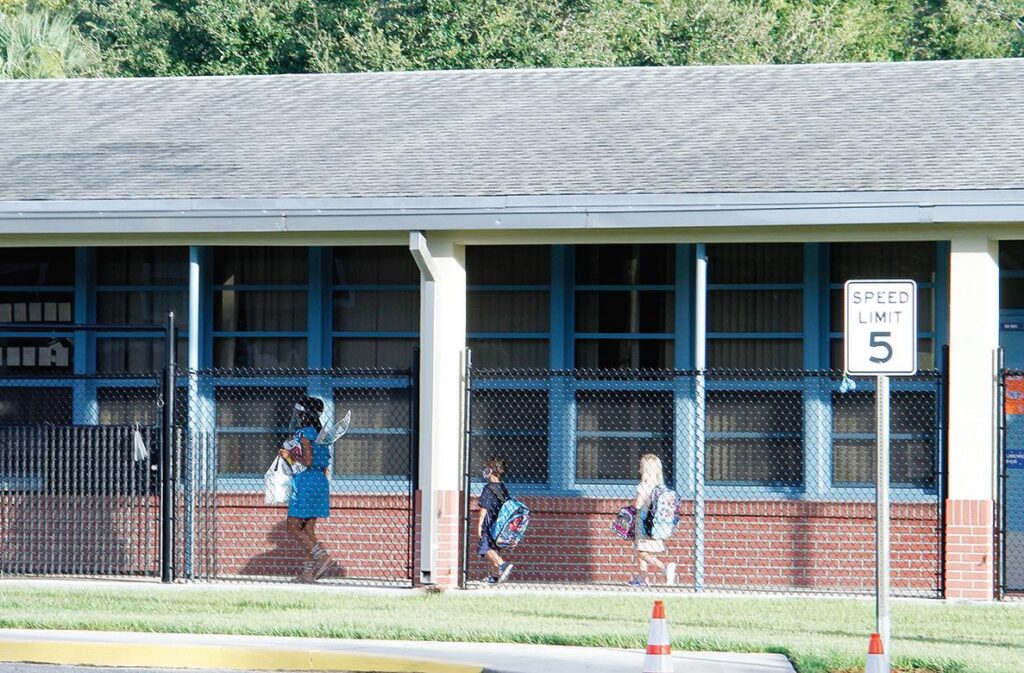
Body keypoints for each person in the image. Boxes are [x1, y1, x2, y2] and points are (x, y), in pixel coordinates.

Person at [279, 396, 332, 583]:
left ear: (305, 414)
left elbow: (307, 461)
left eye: (300, 412)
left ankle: (322, 557)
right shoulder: (323, 435)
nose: (298, 415)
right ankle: (308, 574)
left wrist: (288, 455)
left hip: (306, 481)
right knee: (308, 529)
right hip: (320, 482)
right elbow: (323, 463)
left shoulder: (304, 433)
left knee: (293, 527)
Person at [629, 453, 676, 587]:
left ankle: (664, 567)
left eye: (641, 467)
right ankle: (642, 578)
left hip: (643, 522)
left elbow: (638, 504)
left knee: (641, 551)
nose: (639, 470)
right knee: (643, 550)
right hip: (655, 523)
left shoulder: (643, 485)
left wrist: (631, 505)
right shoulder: (660, 487)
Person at [476, 456, 514, 584]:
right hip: (499, 524)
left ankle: (503, 565)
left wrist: (479, 525)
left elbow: (484, 509)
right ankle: (494, 576)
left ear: (491, 470)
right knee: (494, 549)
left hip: (488, 523)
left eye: (487, 467)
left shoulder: (488, 488)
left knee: (485, 548)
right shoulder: (503, 487)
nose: (485, 470)